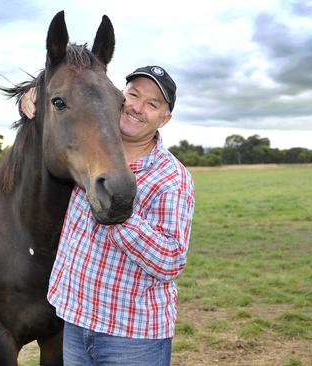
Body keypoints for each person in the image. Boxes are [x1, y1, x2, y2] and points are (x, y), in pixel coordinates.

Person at [21, 65, 195, 365]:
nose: (137, 108)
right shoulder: (91, 145)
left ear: (164, 119)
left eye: (152, 104)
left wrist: (120, 215)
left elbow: (170, 261)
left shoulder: (172, 178)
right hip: (75, 322)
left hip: (130, 337)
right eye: (133, 95)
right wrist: (35, 93)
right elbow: (72, 98)